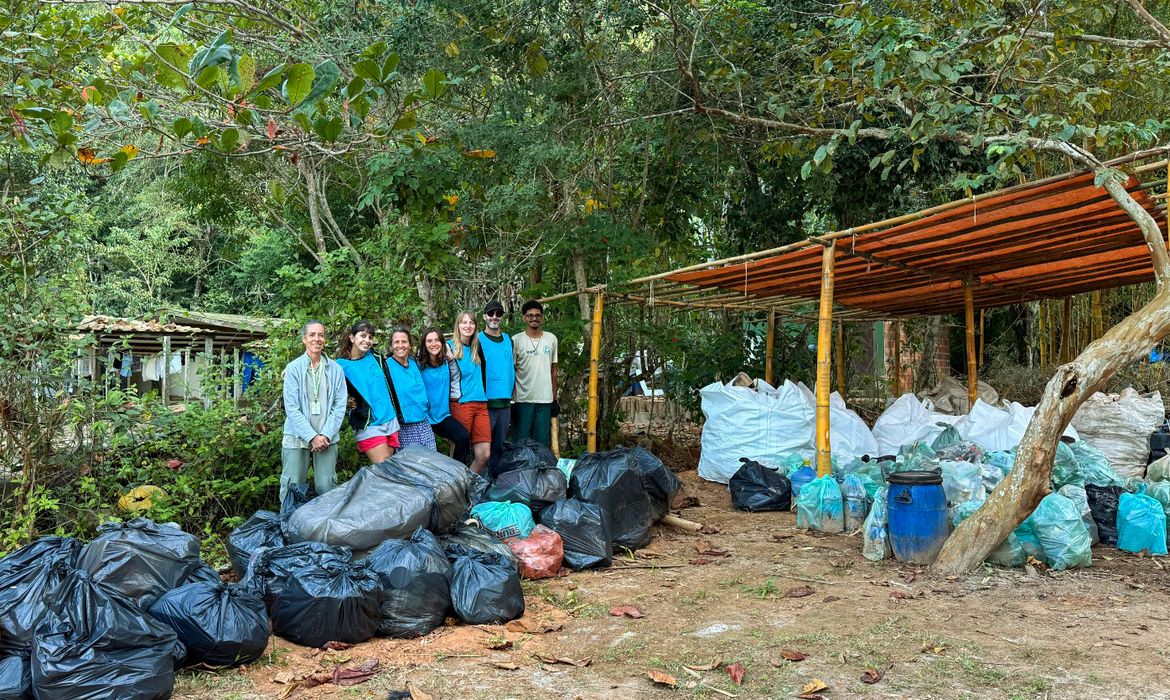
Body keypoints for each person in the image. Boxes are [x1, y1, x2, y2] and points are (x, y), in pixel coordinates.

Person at [280, 321, 348, 501]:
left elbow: (340, 406)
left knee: (327, 486)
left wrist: (324, 435)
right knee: (292, 486)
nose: (317, 339)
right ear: (304, 339)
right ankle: (288, 526)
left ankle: (325, 527)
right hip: (296, 436)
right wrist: (311, 437)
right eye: (312, 335)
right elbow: (292, 408)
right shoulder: (293, 368)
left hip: (327, 437)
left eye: (321, 335)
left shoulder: (336, 369)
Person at [336, 320, 402, 463]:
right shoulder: (341, 366)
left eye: (370, 337)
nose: (367, 340)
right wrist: (294, 369)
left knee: (392, 469)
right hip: (369, 424)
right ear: (352, 338)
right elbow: (322, 375)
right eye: (363, 336)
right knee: (386, 470)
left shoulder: (376, 357)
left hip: (390, 419)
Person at [417, 328, 472, 464]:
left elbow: (459, 375)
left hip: (442, 416)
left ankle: (456, 473)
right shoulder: (418, 365)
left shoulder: (446, 363)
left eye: (437, 340)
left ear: (442, 343)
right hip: (424, 418)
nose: (434, 344)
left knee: (463, 437)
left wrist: (451, 357)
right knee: (427, 456)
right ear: (424, 344)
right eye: (429, 341)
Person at [447, 311, 491, 473]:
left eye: (471, 323)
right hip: (461, 404)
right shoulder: (448, 347)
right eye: (463, 322)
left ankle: (468, 487)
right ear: (458, 326)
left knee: (484, 455)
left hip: (481, 404)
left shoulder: (476, 348)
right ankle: (451, 491)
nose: (468, 326)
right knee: (458, 454)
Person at [512, 300, 558, 448]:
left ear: (542, 318)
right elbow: (511, 371)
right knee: (522, 442)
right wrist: (511, 400)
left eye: (538, 315)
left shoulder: (551, 339)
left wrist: (554, 398)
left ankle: (542, 470)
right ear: (524, 318)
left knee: (542, 442)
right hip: (522, 399)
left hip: (545, 399)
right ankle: (521, 470)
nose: (534, 318)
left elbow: (554, 370)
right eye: (530, 315)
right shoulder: (516, 340)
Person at [385, 328, 437, 451]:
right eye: (396, 342)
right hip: (403, 426)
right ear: (391, 346)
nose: (400, 345)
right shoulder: (386, 366)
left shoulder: (415, 364)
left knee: (431, 463)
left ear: (410, 345)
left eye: (404, 342)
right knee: (411, 466)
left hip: (423, 422)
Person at [478, 300, 515, 472]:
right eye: (491, 313)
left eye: (498, 314)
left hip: (505, 402)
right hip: (485, 402)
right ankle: (477, 482)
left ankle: (493, 482)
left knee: (499, 446)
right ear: (484, 316)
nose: (494, 317)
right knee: (482, 447)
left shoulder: (508, 340)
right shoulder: (477, 339)